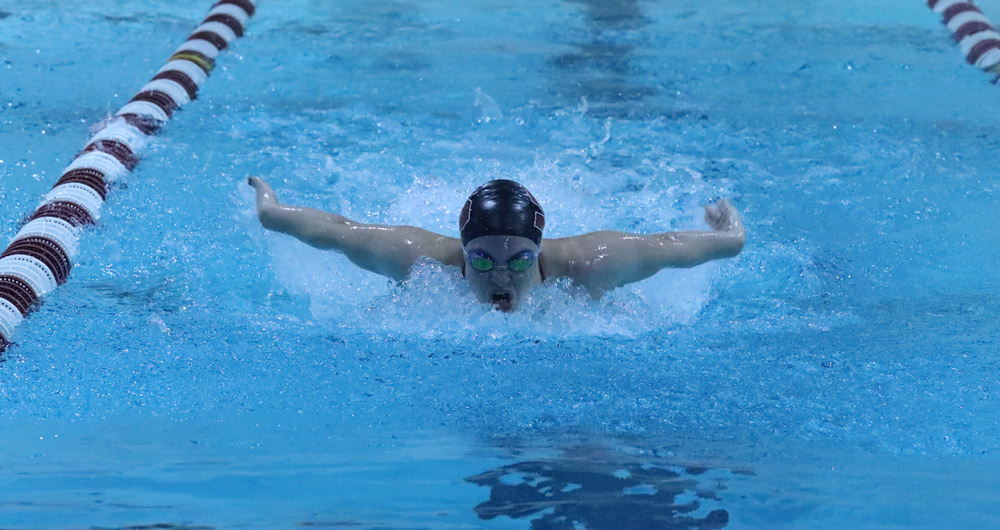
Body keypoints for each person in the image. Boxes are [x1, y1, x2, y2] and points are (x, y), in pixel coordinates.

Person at [250, 176, 744, 312]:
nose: (502, 275)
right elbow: (341, 230)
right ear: (463, 252)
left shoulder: (593, 263)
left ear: (540, 249)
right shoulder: (420, 260)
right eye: (482, 259)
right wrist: (272, 212)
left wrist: (729, 234)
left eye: (520, 259)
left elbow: (672, 246)